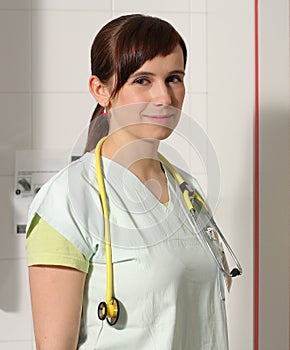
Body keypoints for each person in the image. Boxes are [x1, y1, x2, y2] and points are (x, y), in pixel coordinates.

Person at [26, 14, 229, 349]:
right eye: (142, 80)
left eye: (174, 78)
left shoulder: (188, 191)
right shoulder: (67, 199)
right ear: (101, 90)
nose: (164, 97)